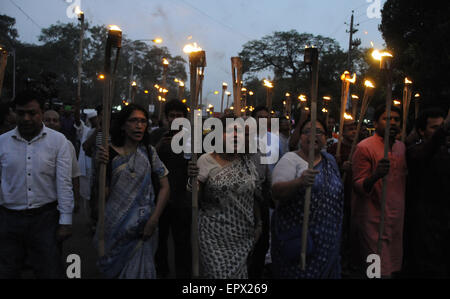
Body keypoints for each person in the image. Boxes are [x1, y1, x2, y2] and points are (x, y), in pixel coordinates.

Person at [0, 90, 73, 278]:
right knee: (8, 270)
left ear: (42, 112)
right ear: (14, 112)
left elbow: (64, 182)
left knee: (48, 270)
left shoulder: (58, 142)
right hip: (9, 219)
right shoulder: (2, 142)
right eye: (20, 113)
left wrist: (65, 221)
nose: (26, 118)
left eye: (32, 113)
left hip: (45, 219)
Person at [95, 103, 170, 279]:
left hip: (144, 230)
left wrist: (154, 219)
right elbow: (103, 195)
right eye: (133, 121)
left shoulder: (149, 153)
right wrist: (100, 167)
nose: (139, 125)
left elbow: (166, 187)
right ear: (122, 125)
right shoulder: (109, 155)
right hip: (115, 229)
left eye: (143, 121)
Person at [187, 117, 262, 279]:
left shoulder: (247, 162)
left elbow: (253, 196)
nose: (235, 135)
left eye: (239, 131)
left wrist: (259, 223)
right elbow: (195, 198)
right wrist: (192, 180)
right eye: (229, 131)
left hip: (242, 235)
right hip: (213, 236)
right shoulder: (205, 160)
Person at [271, 117, 344, 278]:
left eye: (319, 132)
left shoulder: (329, 161)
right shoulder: (290, 159)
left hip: (327, 242)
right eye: (307, 131)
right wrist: (299, 182)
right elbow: (276, 191)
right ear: (300, 137)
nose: (313, 135)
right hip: (301, 241)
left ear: (326, 137)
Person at [350, 104, 406, 278]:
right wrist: (375, 176)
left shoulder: (401, 147)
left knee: (392, 268)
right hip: (373, 222)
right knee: (375, 272)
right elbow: (358, 185)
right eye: (387, 119)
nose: (393, 123)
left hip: (395, 221)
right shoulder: (364, 147)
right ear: (376, 122)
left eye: (396, 119)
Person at [403, 107, 450, 277]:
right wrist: (444, 129)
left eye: (441, 127)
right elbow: (424, 155)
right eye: (434, 128)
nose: (440, 132)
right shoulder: (414, 151)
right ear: (421, 131)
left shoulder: (446, 151)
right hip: (423, 228)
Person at [149, 99, 192, 278]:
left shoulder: (192, 139)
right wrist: (159, 146)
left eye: (179, 116)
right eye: (172, 115)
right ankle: (161, 271)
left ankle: (184, 274)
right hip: (159, 197)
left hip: (183, 198)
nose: (175, 119)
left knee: (182, 240)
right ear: (166, 118)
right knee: (159, 239)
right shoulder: (156, 135)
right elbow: (146, 160)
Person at [327, 119, 357, 275]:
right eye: (350, 128)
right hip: (339, 195)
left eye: (355, 128)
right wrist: (339, 165)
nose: (353, 131)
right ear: (343, 131)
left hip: (356, 195)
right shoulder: (334, 148)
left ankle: (350, 260)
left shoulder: (360, 148)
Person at [43, 110, 82, 213]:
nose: (51, 123)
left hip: (60, 201)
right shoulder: (32, 145)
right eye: (47, 120)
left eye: (55, 120)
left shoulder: (67, 145)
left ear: (60, 124)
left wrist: (76, 199)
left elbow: (74, 175)